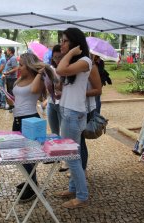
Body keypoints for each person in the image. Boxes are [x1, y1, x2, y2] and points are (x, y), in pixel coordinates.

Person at [54, 27, 91, 209]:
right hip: (68, 111)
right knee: (72, 155)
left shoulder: (84, 60)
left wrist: (71, 53)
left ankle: (82, 196)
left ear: (75, 43)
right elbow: (64, 80)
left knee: (72, 158)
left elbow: (61, 70)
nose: (61, 44)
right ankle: (73, 188)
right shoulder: (75, 64)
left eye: (65, 41)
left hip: (72, 114)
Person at [6, 52, 50, 202]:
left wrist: (39, 72)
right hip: (17, 119)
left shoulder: (37, 80)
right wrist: (7, 96)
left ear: (30, 66)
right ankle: (32, 182)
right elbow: (15, 100)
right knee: (22, 155)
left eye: (21, 65)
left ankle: (32, 186)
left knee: (29, 156)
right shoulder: (19, 80)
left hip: (30, 119)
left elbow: (33, 91)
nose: (18, 67)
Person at [80, 55, 102, 172]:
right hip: (75, 108)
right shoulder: (75, 66)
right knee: (78, 141)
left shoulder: (91, 67)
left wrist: (79, 93)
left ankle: (81, 170)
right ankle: (79, 170)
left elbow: (98, 90)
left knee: (80, 141)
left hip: (86, 108)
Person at [2, 47, 18, 112]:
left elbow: (15, 68)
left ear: (10, 51)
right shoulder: (10, 58)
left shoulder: (13, 58)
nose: (6, 51)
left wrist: (7, 73)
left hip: (12, 78)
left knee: (11, 92)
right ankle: (11, 105)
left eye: (7, 50)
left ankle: (13, 107)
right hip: (9, 77)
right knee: (9, 92)